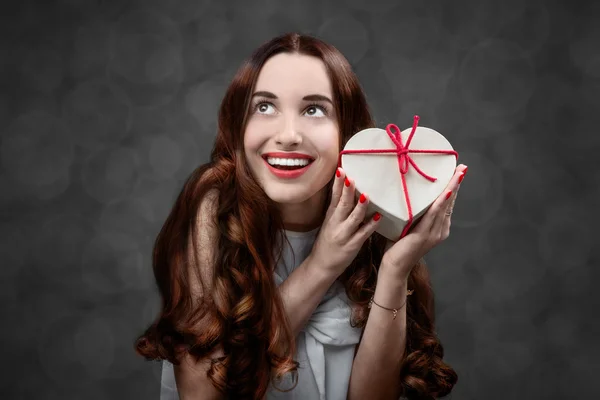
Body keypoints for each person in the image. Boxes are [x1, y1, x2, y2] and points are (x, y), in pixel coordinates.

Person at [135, 32, 465, 400]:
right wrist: (322, 264)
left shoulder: (377, 215)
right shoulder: (213, 208)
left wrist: (395, 268)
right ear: (239, 123)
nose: (289, 135)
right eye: (264, 107)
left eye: (313, 109)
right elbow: (202, 395)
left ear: (348, 132)